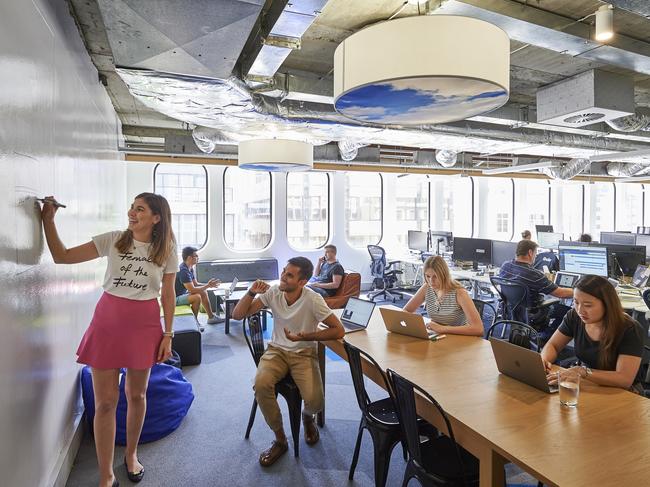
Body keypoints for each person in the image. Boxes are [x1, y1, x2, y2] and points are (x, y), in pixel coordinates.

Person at [40, 193, 177, 487]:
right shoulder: (115, 239)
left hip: (145, 325)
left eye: (139, 209)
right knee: (104, 403)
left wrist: (168, 333)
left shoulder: (166, 249)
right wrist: (48, 221)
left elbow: (168, 294)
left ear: (156, 218)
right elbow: (62, 256)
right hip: (108, 323)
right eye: (131, 207)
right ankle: (106, 475)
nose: (132, 212)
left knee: (137, 395)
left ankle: (131, 455)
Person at [232, 257, 344, 467]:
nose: (282, 276)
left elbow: (338, 330)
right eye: (284, 271)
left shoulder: (313, 299)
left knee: (316, 401)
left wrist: (305, 337)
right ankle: (280, 439)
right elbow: (237, 315)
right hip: (276, 351)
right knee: (261, 384)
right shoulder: (274, 291)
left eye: (289, 275)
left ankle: (307, 417)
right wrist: (251, 292)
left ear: (302, 282)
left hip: (303, 352)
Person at [541, 275, 644, 391]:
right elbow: (553, 345)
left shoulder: (630, 329)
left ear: (607, 304)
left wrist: (582, 371)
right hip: (590, 382)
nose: (580, 310)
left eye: (588, 305)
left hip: (624, 392)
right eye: (576, 302)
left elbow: (624, 379)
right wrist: (544, 361)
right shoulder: (574, 316)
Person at [498, 240, 573, 332]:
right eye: (535, 253)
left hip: (510, 311)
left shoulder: (505, 266)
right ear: (530, 252)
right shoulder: (534, 274)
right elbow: (561, 293)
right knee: (568, 311)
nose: (536, 256)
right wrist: (579, 291)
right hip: (533, 314)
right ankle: (545, 338)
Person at [402, 256, 484, 336]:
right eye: (428, 276)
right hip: (438, 336)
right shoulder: (427, 287)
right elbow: (406, 311)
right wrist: (416, 323)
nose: (431, 281)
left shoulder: (460, 293)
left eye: (435, 276)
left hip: (459, 339)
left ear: (444, 275)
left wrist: (443, 329)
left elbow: (478, 329)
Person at [175, 246, 221, 326]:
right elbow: (192, 290)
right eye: (196, 256)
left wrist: (209, 285)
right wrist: (208, 286)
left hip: (182, 294)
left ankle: (211, 317)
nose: (198, 258)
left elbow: (195, 284)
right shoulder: (183, 271)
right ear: (189, 258)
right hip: (175, 299)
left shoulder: (190, 268)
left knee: (202, 291)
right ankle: (194, 323)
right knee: (197, 297)